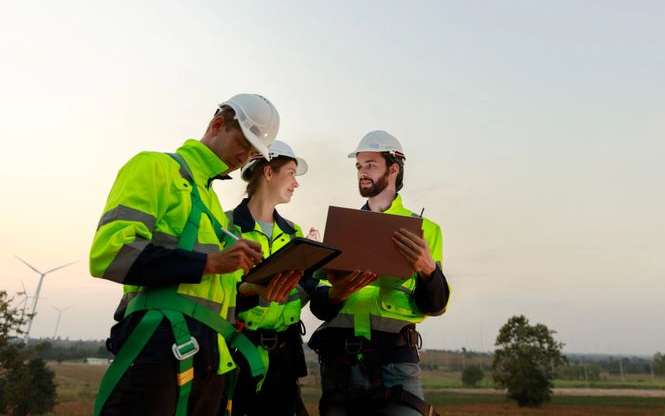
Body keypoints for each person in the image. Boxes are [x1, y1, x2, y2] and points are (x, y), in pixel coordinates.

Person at [89, 93, 281, 416]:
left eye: (252, 153)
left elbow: (207, 294)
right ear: (217, 125)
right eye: (243, 143)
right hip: (158, 352)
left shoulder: (215, 209)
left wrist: (254, 290)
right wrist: (210, 263)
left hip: (212, 362)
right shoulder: (155, 167)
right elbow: (110, 253)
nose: (244, 157)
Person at [309, 130, 450, 416]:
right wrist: (336, 294)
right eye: (359, 166)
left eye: (370, 165)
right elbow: (319, 306)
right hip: (340, 365)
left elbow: (436, 305)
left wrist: (428, 269)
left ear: (393, 169)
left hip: (395, 363)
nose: (362, 172)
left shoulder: (425, 230)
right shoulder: (342, 228)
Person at [227, 141, 318, 416]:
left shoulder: (295, 235)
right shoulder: (225, 227)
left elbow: (300, 292)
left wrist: (316, 266)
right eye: (291, 173)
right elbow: (214, 294)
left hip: (284, 364)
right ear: (268, 172)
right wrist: (249, 290)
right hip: (236, 359)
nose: (296, 183)